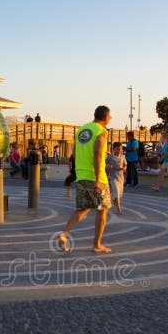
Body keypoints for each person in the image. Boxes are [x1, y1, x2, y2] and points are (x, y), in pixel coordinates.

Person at [57, 105, 113, 254]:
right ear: (106, 117)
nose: (110, 119)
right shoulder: (102, 131)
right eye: (110, 116)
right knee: (103, 210)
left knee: (83, 208)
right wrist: (97, 180)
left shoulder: (82, 129)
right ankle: (97, 244)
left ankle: (64, 233)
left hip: (81, 175)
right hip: (96, 176)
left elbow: (75, 154)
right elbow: (97, 155)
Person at [105, 142, 127, 215]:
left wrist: (124, 168)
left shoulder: (123, 156)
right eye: (118, 149)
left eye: (120, 149)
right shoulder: (109, 157)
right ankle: (118, 208)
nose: (119, 151)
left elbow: (125, 164)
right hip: (112, 177)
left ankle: (110, 200)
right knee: (116, 193)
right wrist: (107, 166)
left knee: (119, 195)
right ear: (114, 149)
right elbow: (104, 165)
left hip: (120, 177)